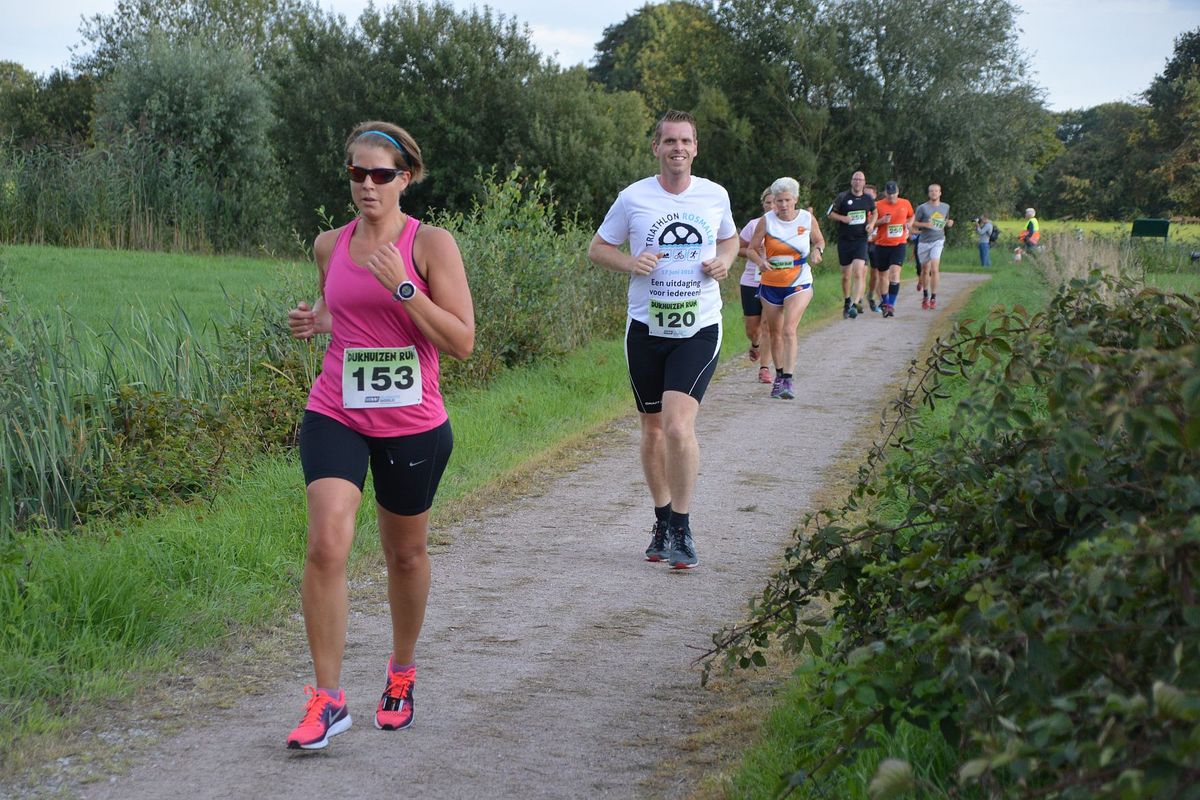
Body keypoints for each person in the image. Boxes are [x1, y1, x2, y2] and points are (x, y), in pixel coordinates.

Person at [284, 121, 475, 750]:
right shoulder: (328, 244)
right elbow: (338, 306)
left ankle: (400, 672)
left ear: (406, 178)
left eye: (381, 174)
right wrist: (318, 321)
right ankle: (328, 698)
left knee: (405, 555)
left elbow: (462, 341)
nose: (367, 185)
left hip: (412, 422)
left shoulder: (430, 245)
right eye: (356, 174)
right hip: (336, 408)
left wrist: (403, 285)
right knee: (326, 544)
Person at [587, 110, 737, 571]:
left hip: (699, 325)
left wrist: (725, 262)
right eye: (669, 141)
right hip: (646, 329)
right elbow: (597, 249)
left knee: (677, 426)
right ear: (656, 147)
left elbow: (730, 241)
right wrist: (631, 262)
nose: (678, 148)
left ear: (695, 148)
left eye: (685, 141)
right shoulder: (634, 198)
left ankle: (683, 527)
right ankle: (662, 519)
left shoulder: (714, 195)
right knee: (652, 429)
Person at [746, 177, 825, 399]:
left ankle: (788, 380)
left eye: (786, 200)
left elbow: (819, 240)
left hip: (799, 281)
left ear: (795, 199)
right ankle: (779, 375)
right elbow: (752, 249)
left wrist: (818, 251)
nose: (782, 205)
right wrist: (761, 262)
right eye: (778, 201)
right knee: (774, 333)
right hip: (771, 283)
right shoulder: (766, 221)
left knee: (789, 329)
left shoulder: (807, 218)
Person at [738, 188, 776, 385]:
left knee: (768, 325)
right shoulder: (753, 225)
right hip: (752, 280)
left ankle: (764, 368)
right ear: (763, 204)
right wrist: (755, 253)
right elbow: (739, 248)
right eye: (768, 202)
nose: (771, 206)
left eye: (774, 202)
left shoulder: (784, 225)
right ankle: (755, 344)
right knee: (753, 328)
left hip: (775, 281)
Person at [826, 171, 876, 319]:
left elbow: (875, 212)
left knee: (859, 272)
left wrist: (872, 224)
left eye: (861, 180)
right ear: (851, 181)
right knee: (846, 276)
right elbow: (829, 214)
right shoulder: (843, 197)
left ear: (864, 182)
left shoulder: (868, 198)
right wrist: (843, 218)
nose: (858, 182)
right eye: (855, 179)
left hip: (861, 240)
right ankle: (847, 300)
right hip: (844, 240)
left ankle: (854, 304)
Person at [872, 181, 914, 318]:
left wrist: (909, 223)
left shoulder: (905, 203)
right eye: (889, 194)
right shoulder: (878, 205)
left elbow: (911, 215)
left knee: (895, 274)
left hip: (899, 244)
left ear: (898, 192)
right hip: (882, 244)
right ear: (885, 193)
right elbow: (870, 225)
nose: (891, 197)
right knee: (883, 276)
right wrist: (881, 221)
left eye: (894, 194)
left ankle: (891, 305)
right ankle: (885, 303)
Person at [912, 183, 954, 310]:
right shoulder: (922, 208)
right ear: (928, 193)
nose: (934, 193)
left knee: (934, 269)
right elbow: (913, 223)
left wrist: (949, 223)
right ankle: (925, 295)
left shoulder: (945, 206)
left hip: (938, 240)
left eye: (936, 191)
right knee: (925, 270)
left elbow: (944, 221)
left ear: (940, 193)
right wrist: (925, 225)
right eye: (931, 191)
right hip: (924, 242)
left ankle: (933, 298)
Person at [863, 184, 882, 313]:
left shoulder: (880, 207)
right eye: (865, 194)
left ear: (875, 195)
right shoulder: (859, 206)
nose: (868, 197)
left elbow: (887, 221)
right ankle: (857, 300)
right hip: (862, 243)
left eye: (870, 194)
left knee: (875, 274)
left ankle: (871, 296)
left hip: (876, 243)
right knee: (861, 272)